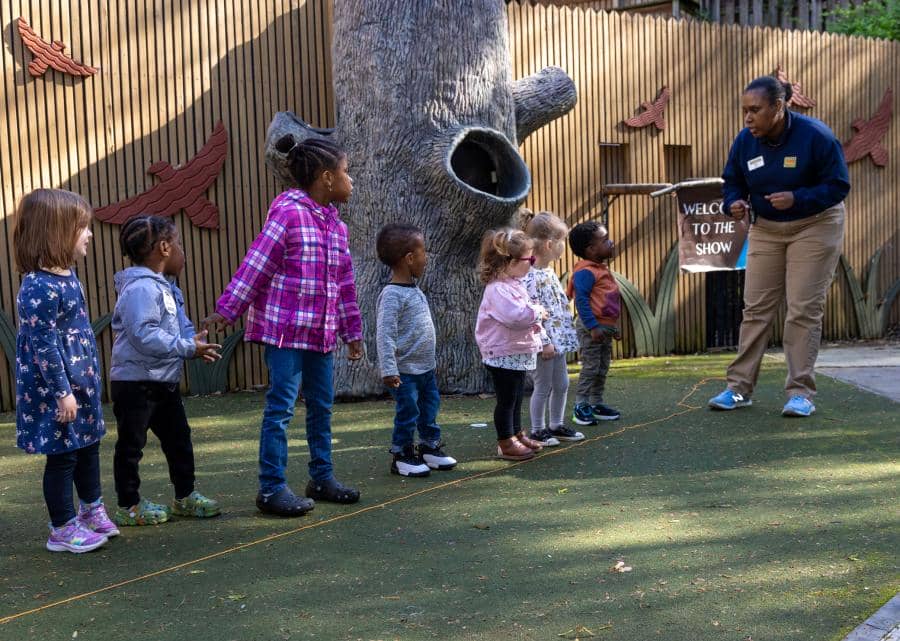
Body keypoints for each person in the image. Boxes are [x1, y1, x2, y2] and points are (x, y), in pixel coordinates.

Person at [203, 134, 364, 516]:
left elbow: (344, 283)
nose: (350, 180)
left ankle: (321, 477)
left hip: (320, 334)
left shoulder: (336, 227)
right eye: (346, 172)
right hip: (286, 332)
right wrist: (227, 310)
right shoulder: (288, 212)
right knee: (281, 409)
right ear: (326, 177)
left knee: (322, 406)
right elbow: (258, 263)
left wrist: (352, 332)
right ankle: (271, 488)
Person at [708, 75, 850, 417]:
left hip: (814, 225)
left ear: (778, 106)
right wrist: (733, 203)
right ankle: (739, 389)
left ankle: (800, 393)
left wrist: (798, 198)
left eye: (755, 110)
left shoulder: (815, 136)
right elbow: (732, 181)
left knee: (802, 309)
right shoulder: (745, 141)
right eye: (745, 110)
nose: (748, 118)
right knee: (755, 309)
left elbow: (838, 184)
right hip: (767, 229)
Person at [12, 189, 118, 553]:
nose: (89, 235)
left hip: (79, 381)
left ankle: (91, 508)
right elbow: (43, 346)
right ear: (56, 232)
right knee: (63, 455)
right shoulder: (38, 286)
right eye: (82, 228)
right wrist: (62, 392)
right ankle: (61, 526)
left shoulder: (66, 275)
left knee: (87, 445)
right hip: (56, 388)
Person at [109, 215, 222, 526]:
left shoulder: (167, 288)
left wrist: (193, 343)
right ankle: (128, 504)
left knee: (179, 439)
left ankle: (185, 496)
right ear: (164, 247)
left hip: (163, 381)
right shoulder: (141, 289)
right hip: (135, 384)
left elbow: (179, 326)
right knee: (131, 446)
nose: (182, 250)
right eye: (179, 244)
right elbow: (143, 334)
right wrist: (186, 347)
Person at [375, 223, 457, 477]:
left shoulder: (413, 289)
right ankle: (402, 454)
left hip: (425, 369)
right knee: (408, 411)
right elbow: (385, 334)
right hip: (404, 372)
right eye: (424, 252)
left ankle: (429, 447)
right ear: (410, 258)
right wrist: (389, 368)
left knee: (429, 408)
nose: (426, 257)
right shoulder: (391, 295)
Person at [475, 228, 548, 461]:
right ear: (511, 261)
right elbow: (517, 317)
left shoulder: (513, 283)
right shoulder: (498, 289)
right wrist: (538, 312)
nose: (532, 263)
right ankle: (506, 441)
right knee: (507, 399)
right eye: (530, 259)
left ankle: (517, 434)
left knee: (516, 397)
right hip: (501, 353)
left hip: (513, 351)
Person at [520, 210, 583, 446]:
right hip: (543, 343)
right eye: (562, 241)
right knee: (543, 385)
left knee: (562, 383)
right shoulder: (529, 275)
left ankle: (556, 424)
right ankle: (538, 429)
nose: (563, 246)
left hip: (557, 341)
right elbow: (532, 311)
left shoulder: (547, 270)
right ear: (549, 244)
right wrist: (544, 341)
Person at [566, 221, 622, 425]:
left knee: (602, 367)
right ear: (591, 250)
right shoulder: (585, 272)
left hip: (603, 328)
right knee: (591, 367)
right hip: (592, 328)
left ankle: (595, 402)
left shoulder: (599, 269)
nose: (611, 243)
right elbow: (581, 301)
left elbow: (607, 303)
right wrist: (592, 327)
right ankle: (580, 405)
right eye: (605, 240)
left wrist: (613, 328)